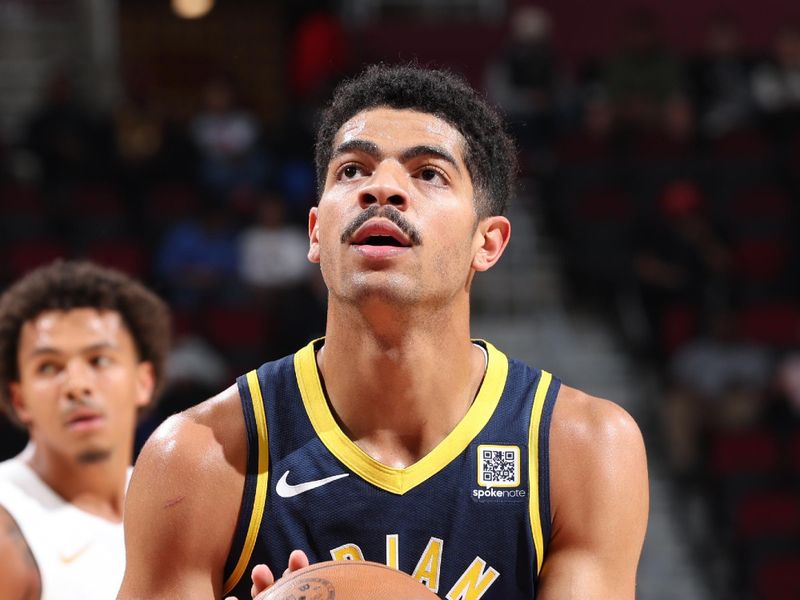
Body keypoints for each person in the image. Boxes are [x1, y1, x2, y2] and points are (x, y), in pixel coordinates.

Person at [119, 64, 649, 600]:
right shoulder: (196, 457)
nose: (382, 188)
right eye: (352, 170)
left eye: (428, 173)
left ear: (487, 243)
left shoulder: (581, 447)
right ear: (316, 232)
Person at [0, 260, 171, 599]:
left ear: (143, 381)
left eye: (99, 360)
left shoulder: (179, 505)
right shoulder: (8, 522)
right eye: (49, 367)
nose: (76, 386)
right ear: (19, 399)